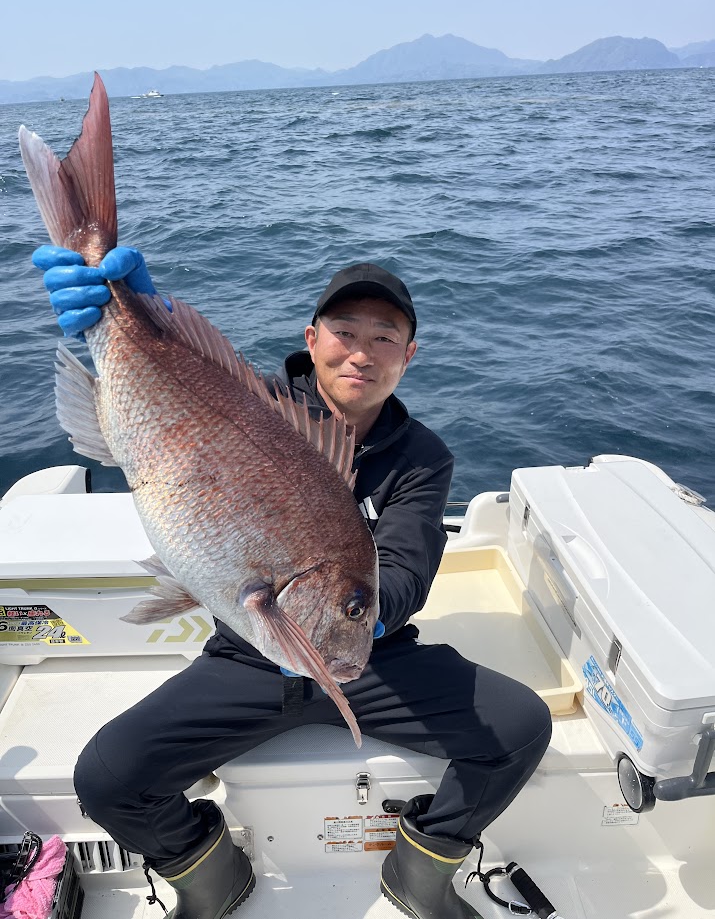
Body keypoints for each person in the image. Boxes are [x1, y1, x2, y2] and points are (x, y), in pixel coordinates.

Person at [33, 245, 553, 919]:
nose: (360, 352)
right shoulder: (251, 408)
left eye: (384, 338)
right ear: (311, 340)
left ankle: (420, 872)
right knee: (106, 778)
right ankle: (210, 877)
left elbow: (405, 570)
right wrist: (145, 318)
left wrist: (358, 619)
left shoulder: (421, 458)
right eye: (344, 332)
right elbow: (187, 404)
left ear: (408, 355)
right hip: (248, 652)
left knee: (519, 728)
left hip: (368, 659)